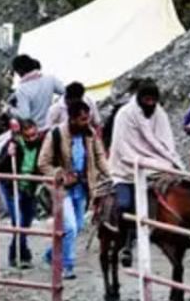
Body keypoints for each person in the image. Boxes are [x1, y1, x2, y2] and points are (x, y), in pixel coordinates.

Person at [108, 81, 182, 264]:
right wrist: (140, 162)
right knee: (125, 204)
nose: (150, 104)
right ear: (139, 99)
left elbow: (165, 142)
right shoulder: (125, 115)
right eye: (146, 100)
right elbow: (122, 147)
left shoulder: (159, 114)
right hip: (126, 169)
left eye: (153, 100)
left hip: (154, 164)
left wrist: (164, 162)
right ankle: (125, 244)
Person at [38, 100, 109, 280]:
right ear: (72, 119)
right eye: (82, 119)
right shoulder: (56, 134)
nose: (86, 122)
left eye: (88, 118)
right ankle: (66, 265)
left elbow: (99, 157)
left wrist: (110, 175)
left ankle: (50, 254)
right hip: (62, 189)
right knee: (69, 227)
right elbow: (43, 162)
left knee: (75, 227)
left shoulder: (90, 134)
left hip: (83, 188)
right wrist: (60, 174)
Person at [0, 118, 42, 269]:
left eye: (34, 135)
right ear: (22, 134)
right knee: (19, 223)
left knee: (26, 223)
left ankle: (18, 251)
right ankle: (20, 255)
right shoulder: (12, 144)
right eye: (27, 136)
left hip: (30, 188)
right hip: (12, 188)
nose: (31, 139)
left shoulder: (41, 146)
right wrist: (9, 155)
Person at [12, 55, 65, 128]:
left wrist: (11, 110)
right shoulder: (50, 79)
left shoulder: (21, 89)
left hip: (37, 131)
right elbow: (66, 92)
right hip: (54, 126)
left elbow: (25, 116)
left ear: (19, 71)